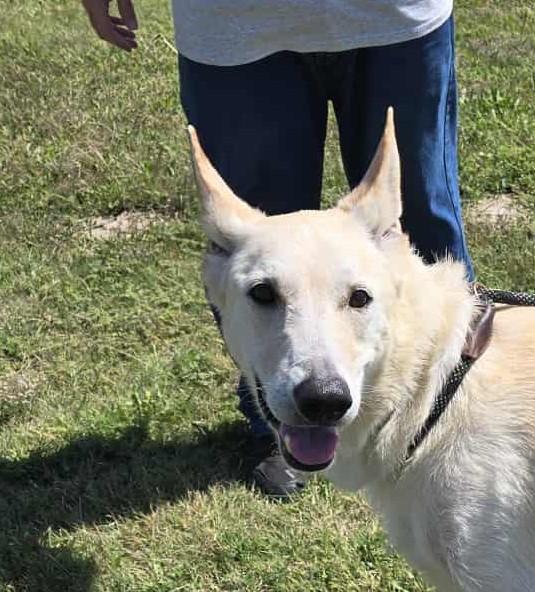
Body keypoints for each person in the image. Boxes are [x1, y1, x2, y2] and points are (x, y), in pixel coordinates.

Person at [82, 0, 473, 498]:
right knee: (259, 260)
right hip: (236, 25)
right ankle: (275, 418)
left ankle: (452, 413)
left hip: (395, 15)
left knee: (418, 232)